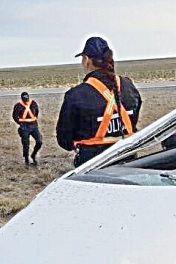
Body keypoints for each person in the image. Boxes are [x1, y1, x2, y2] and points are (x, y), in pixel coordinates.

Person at [56, 37, 142, 167]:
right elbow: (134, 116)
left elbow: (64, 140)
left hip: (92, 167)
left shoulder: (76, 95)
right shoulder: (128, 86)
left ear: (87, 61)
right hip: (129, 163)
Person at [12, 92, 43, 166]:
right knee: (26, 145)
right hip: (24, 127)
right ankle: (26, 160)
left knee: (39, 141)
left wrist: (34, 121)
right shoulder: (18, 106)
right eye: (24, 99)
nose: (26, 101)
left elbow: (36, 113)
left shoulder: (34, 104)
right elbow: (15, 116)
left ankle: (33, 154)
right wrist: (21, 124)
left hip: (33, 126)